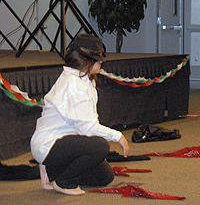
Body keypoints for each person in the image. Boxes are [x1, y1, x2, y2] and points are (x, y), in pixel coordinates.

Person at [31, 34, 129, 196]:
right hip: (50, 144)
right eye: (97, 59)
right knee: (100, 146)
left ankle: (53, 172)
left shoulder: (84, 79)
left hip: (66, 141)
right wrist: (117, 136)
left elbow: (86, 124)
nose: (101, 62)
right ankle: (65, 183)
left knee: (104, 176)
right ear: (86, 61)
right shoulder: (74, 85)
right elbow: (87, 129)